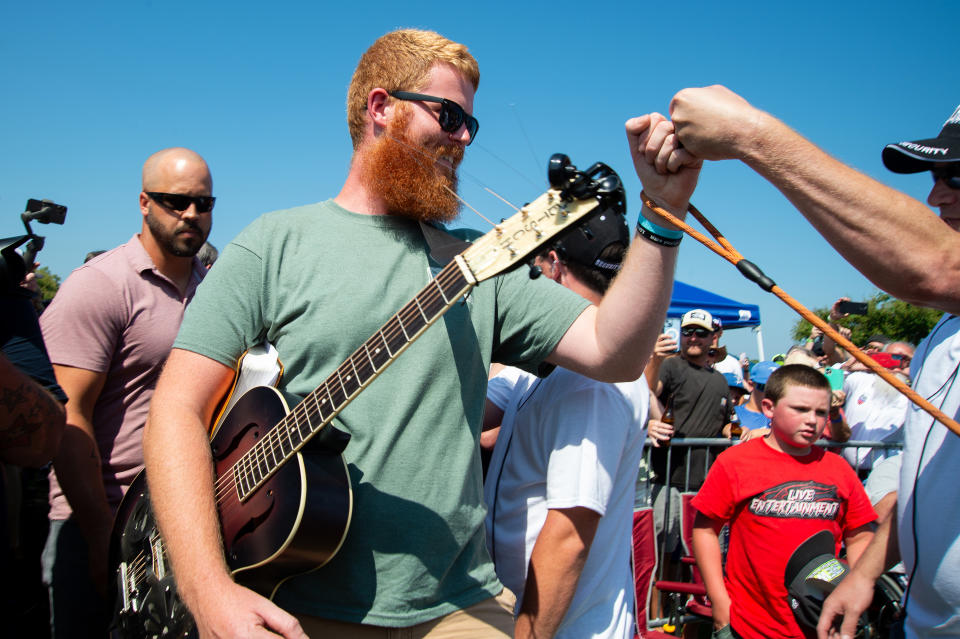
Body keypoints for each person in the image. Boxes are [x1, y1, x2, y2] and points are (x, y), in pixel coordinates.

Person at [140, 28, 700, 639]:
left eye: (470, 125)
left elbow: (613, 352)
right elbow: (177, 408)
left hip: (458, 602)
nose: (463, 138)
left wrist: (661, 215)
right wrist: (207, 587)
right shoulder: (274, 243)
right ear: (381, 108)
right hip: (296, 596)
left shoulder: (478, 264)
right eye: (450, 115)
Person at [665, 86, 960, 638]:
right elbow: (921, 484)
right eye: (935, 178)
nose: (937, 197)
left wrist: (752, 134)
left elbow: (939, 267)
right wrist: (865, 573)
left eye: (958, 178)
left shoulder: (835, 468)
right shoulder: (944, 331)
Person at [38, 147, 213, 637]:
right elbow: (69, 418)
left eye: (204, 203)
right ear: (143, 202)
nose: (192, 215)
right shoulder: (99, 287)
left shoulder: (214, 291)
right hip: (97, 523)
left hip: (177, 522)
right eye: (176, 202)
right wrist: (97, 534)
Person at [483, 210, 646, 639]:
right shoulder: (551, 360)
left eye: (532, 266)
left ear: (553, 267)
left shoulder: (592, 383)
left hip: (566, 630)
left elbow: (568, 537)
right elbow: (469, 413)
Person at [691, 365, 876, 638]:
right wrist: (720, 601)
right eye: (800, 409)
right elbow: (705, 530)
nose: (812, 420)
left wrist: (855, 585)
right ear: (769, 408)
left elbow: (861, 535)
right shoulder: (736, 463)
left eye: (821, 412)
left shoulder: (839, 469)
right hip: (750, 623)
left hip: (820, 621)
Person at [841, 342, 914, 477]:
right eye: (893, 358)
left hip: (884, 476)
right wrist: (846, 367)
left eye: (906, 360)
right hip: (846, 472)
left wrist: (911, 373)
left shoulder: (915, 395)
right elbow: (823, 383)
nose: (898, 364)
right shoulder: (860, 380)